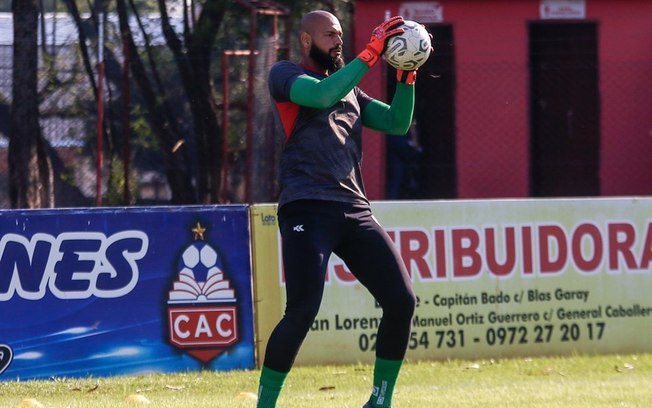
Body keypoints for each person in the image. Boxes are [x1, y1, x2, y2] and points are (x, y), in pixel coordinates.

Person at [257, 10, 421, 408]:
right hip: (306, 207)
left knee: (402, 301)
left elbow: (398, 122)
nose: (337, 40)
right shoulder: (284, 74)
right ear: (306, 41)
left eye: (340, 34)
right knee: (302, 310)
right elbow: (320, 95)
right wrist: (370, 54)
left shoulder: (351, 89)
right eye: (329, 34)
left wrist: (407, 74)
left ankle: (380, 401)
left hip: (353, 209)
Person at [386, 119, 422, 199]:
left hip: (393, 143)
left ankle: (393, 198)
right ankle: (409, 196)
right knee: (408, 172)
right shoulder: (407, 109)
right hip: (405, 145)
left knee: (396, 174)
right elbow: (412, 124)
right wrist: (416, 142)